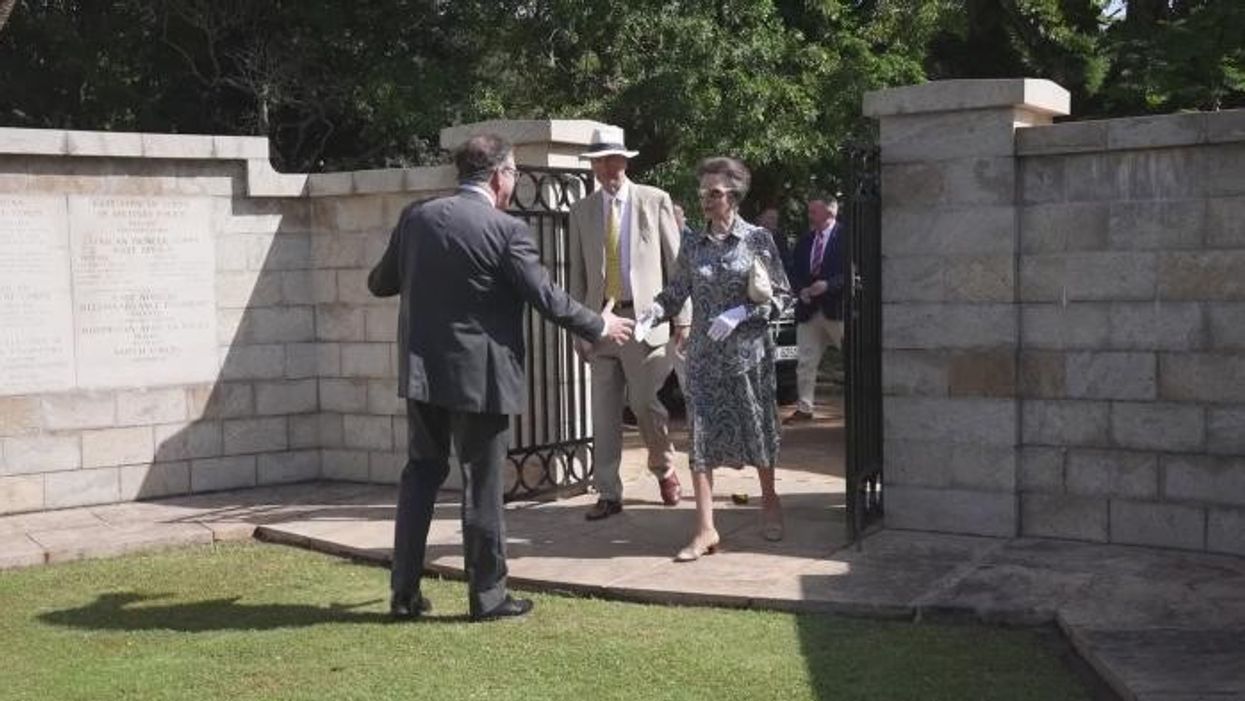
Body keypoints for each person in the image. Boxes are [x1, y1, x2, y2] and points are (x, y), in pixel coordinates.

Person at [368, 134, 633, 621]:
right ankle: (487, 598)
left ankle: (404, 594)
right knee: (482, 485)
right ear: (497, 175)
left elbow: (379, 282)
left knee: (421, 476)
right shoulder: (506, 230)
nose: (511, 183)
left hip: (423, 374)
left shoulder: (416, 218)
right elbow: (547, 298)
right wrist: (601, 324)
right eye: (511, 174)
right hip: (481, 378)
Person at [636, 157, 792, 561]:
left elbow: (781, 297)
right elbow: (676, 291)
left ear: (735, 196)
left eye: (715, 192)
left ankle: (770, 502)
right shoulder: (692, 243)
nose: (706, 199)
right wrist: (654, 311)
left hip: (747, 357)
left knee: (757, 429)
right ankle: (705, 528)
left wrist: (741, 313)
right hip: (705, 358)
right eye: (703, 191)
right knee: (701, 437)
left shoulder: (757, 239)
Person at [567, 126, 689, 521]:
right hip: (600, 322)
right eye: (601, 161)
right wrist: (580, 327)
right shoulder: (582, 211)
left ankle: (664, 467)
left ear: (626, 161)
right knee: (603, 411)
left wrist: (682, 320)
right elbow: (578, 276)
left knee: (643, 403)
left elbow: (678, 266)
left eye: (615, 159)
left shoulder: (654, 201)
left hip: (645, 319)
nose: (609, 168)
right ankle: (608, 492)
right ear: (593, 167)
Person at [785, 196, 845, 424]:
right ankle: (805, 408)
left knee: (853, 359)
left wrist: (829, 285)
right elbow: (793, 270)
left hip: (837, 309)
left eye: (814, 211)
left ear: (830, 212)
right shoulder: (805, 240)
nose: (809, 215)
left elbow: (854, 270)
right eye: (809, 211)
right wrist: (801, 290)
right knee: (805, 361)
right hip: (809, 309)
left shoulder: (846, 237)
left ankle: (859, 408)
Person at [755, 206, 792, 276]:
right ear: (760, 219)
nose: (774, 221)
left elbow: (786, 262)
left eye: (776, 219)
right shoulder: (751, 235)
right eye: (771, 218)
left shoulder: (780, 238)